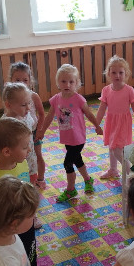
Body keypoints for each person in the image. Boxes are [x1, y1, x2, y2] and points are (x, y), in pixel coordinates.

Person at [35, 64, 103, 202]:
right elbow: (49, 117)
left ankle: (71, 190)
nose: (67, 85)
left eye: (71, 82)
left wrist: (97, 126)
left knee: (67, 163)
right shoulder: (56, 99)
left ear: (76, 83)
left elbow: (89, 114)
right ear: (58, 83)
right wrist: (42, 131)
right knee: (77, 160)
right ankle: (88, 180)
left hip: (78, 138)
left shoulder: (78, 99)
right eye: (63, 81)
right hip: (67, 138)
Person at [0, 118, 38, 266]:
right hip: (11, 234)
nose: (29, 149)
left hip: (28, 225)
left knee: (30, 262)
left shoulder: (21, 163)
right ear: (7, 151)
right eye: (25, 147)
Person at [96, 56, 134, 179]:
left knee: (117, 150)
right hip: (111, 122)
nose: (117, 75)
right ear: (108, 74)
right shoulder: (106, 90)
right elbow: (101, 109)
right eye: (114, 72)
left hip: (123, 124)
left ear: (126, 73)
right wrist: (96, 124)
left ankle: (130, 174)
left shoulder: (129, 90)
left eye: (121, 72)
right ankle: (113, 170)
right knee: (111, 146)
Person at [7, 62, 46, 190]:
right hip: (19, 134)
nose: (22, 83)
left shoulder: (33, 96)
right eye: (17, 80)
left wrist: (39, 130)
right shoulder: (10, 98)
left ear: (30, 80)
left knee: (37, 155)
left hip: (33, 132)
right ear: (11, 80)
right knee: (21, 157)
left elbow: (41, 114)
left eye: (25, 80)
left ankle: (40, 178)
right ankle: (22, 178)